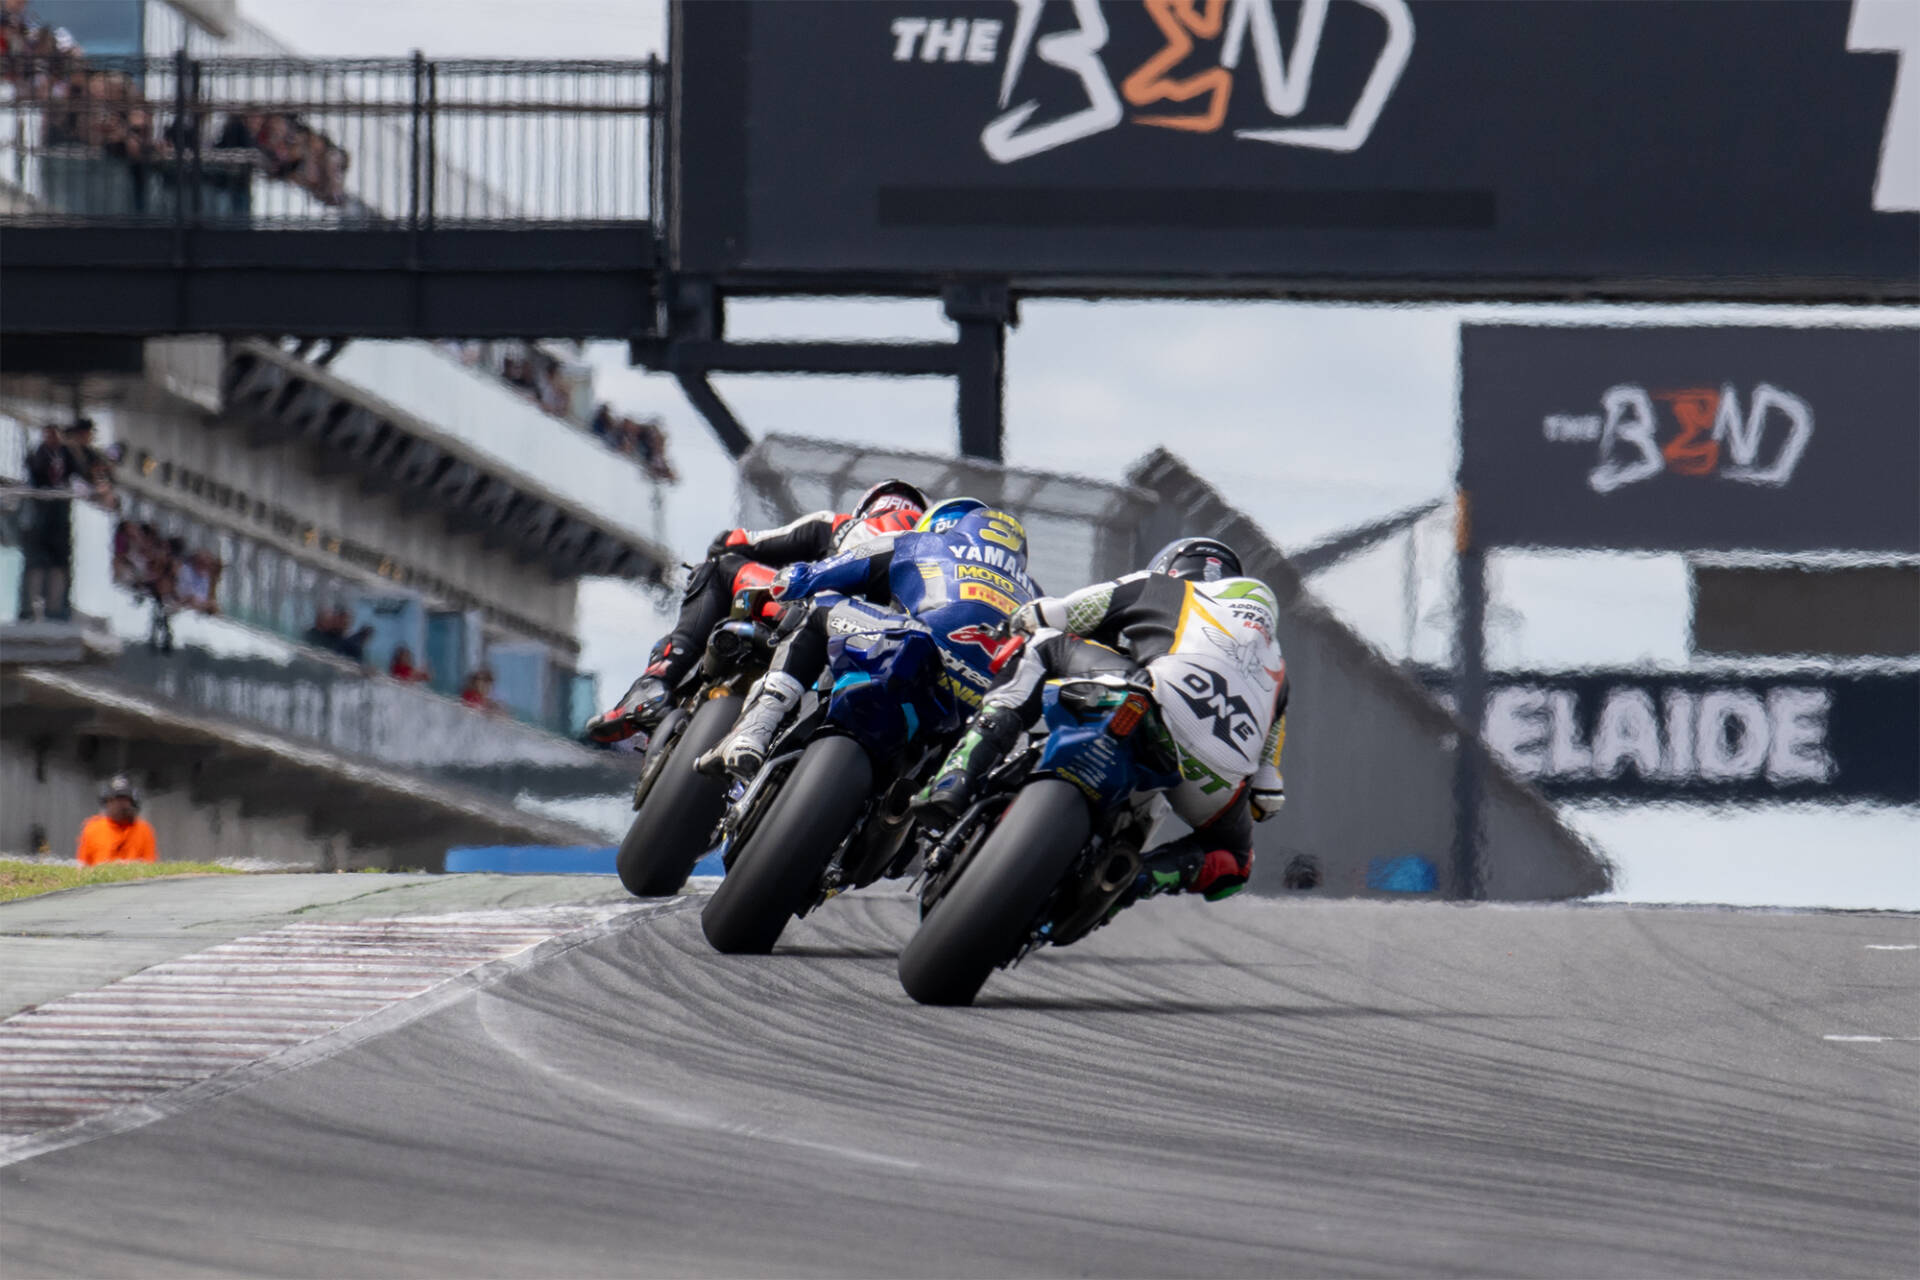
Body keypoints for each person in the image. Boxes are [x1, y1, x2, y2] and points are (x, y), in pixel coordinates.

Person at [914, 537, 1290, 904]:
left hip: (1154, 700)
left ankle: (959, 774)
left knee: (1042, 642)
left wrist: (1020, 621)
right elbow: (1267, 795)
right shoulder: (1277, 670)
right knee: (1236, 861)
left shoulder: (1162, 587)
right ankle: (1136, 879)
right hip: (1214, 780)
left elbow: (1055, 615)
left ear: (1172, 569)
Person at [697, 496, 1038, 780]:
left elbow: (815, 577)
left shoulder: (920, 542)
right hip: (985, 700)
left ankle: (755, 728)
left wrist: (792, 579)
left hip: (917, 649)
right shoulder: (1035, 596)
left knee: (820, 605)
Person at [583, 479, 929, 744]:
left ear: (866, 507)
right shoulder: (932, 558)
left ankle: (655, 683)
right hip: (876, 653)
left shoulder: (839, 524)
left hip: (803, 615)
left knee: (721, 567)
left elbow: (735, 541)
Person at [20, 422, 75, 620]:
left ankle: (56, 608)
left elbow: (76, 474)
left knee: (58, 563)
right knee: (36, 563)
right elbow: (34, 475)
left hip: (59, 517)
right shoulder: (37, 455)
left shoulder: (67, 455)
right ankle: (30, 608)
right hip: (41, 515)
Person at [76, 775, 158, 866]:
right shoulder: (92, 829)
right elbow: (82, 866)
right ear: (107, 802)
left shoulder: (144, 830)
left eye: (124, 799)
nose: (120, 805)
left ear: (133, 802)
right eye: (115, 800)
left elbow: (150, 865)